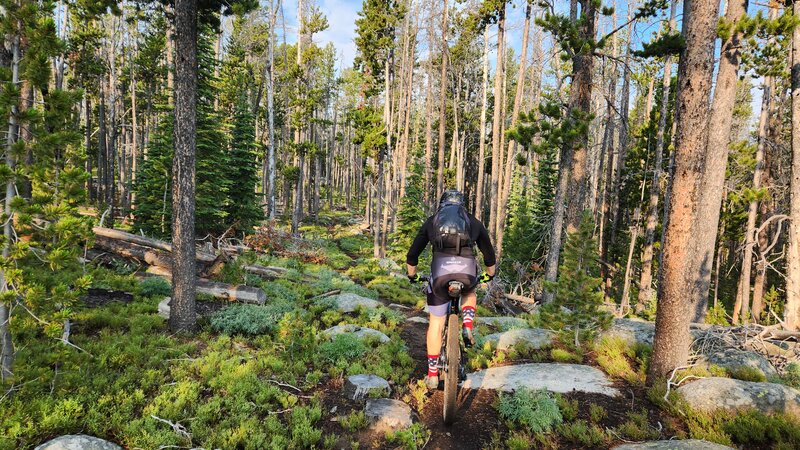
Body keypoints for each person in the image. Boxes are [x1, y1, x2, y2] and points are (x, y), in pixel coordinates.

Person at [406, 189, 496, 390]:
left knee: (436, 323)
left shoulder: (433, 222)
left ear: (442, 204)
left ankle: (431, 374)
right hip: (467, 273)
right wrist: (490, 274)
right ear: (462, 206)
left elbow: (412, 255)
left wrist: (412, 275)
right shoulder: (472, 222)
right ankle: (467, 324)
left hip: (440, 275)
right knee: (470, 291)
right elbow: (489, 254)